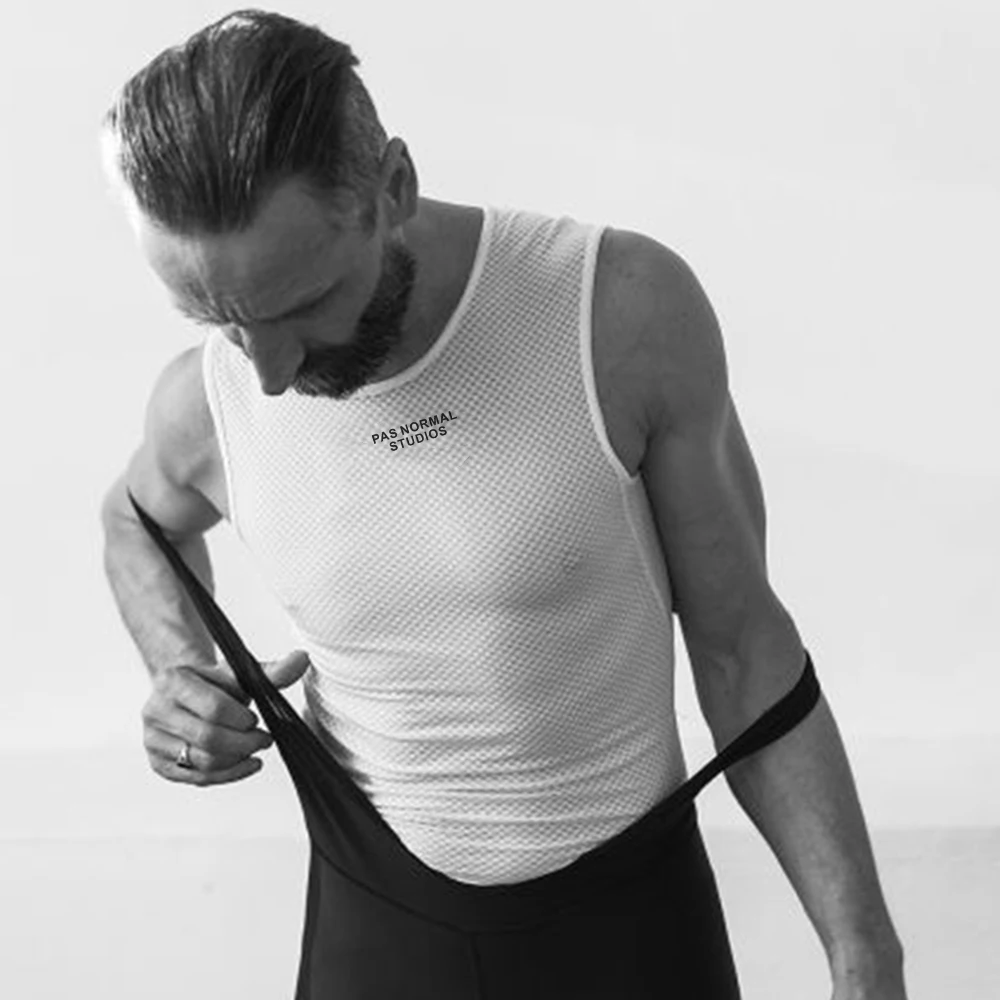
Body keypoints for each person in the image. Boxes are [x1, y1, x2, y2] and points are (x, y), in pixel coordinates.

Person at [99, 9, 906, 999]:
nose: (266, 373)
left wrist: (864, 953)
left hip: (632, 933)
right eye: (222, 320)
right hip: (373, 940)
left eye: (302, 305)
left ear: (393, 187)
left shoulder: (614, 313)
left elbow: (745, 652)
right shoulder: (206, 406)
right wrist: (177, 670)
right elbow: (132, 520)